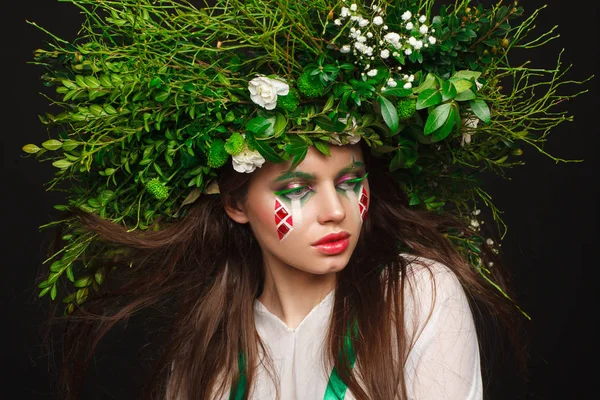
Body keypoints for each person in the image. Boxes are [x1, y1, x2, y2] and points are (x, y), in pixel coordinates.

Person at [23, 0, 588, 399]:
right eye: (296, 189)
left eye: (349, 181)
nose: (335, 210)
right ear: (236, 203)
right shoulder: (205, 357)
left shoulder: (417, 297)